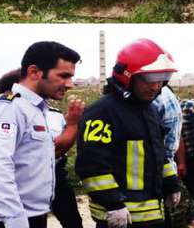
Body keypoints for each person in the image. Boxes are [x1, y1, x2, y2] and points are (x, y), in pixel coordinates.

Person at [0, 41, 81, 228]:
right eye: (63, 76)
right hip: (4, 219)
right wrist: (16, 222)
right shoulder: (9, 108)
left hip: (31, 214)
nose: (69, 84)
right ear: (34, 72)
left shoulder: (37, 109)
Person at [75, 38, 180, 228]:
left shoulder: (149, 110)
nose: (156, 87)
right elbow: (92, 166)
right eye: (148, 79)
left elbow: (158, 154)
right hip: (121, 217)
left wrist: (171, 184)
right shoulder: (102, 111)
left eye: (161, 79)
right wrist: (113, 203)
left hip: (153, 215)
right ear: (127, 76)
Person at [152, 85, 182, 228]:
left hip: (153, 173)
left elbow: (161, 149)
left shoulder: (156, 98)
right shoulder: (167, 95)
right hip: (163, 168)